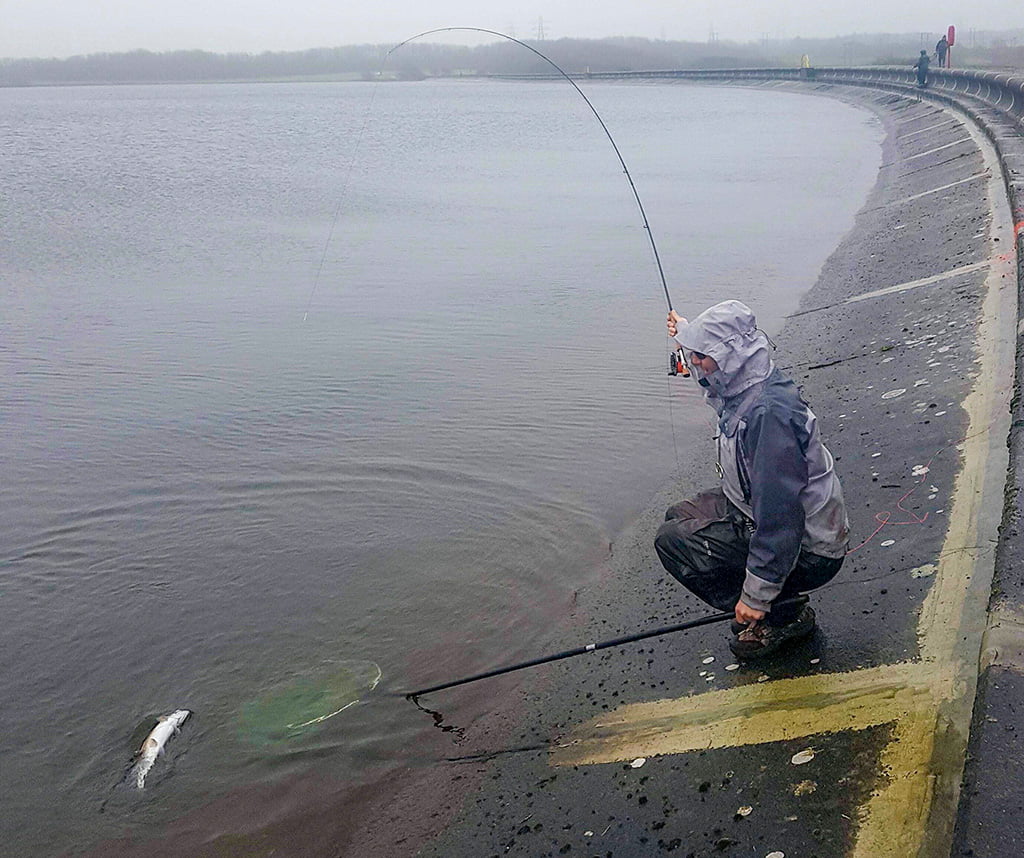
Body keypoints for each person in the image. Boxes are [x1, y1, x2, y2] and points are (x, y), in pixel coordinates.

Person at [654, 300, 849, 659]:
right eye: (693, 354)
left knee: (674, 541)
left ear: (728, 356)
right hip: (762, 511)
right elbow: (715, 388)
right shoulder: (748, 380)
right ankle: (771, 596)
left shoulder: (768, 417)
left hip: (810, 546)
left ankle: (779, 613)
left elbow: (781, 518)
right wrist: (686, 332)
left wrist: (755, 596)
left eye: (701, 355)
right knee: (677, 516)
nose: (695, 362)